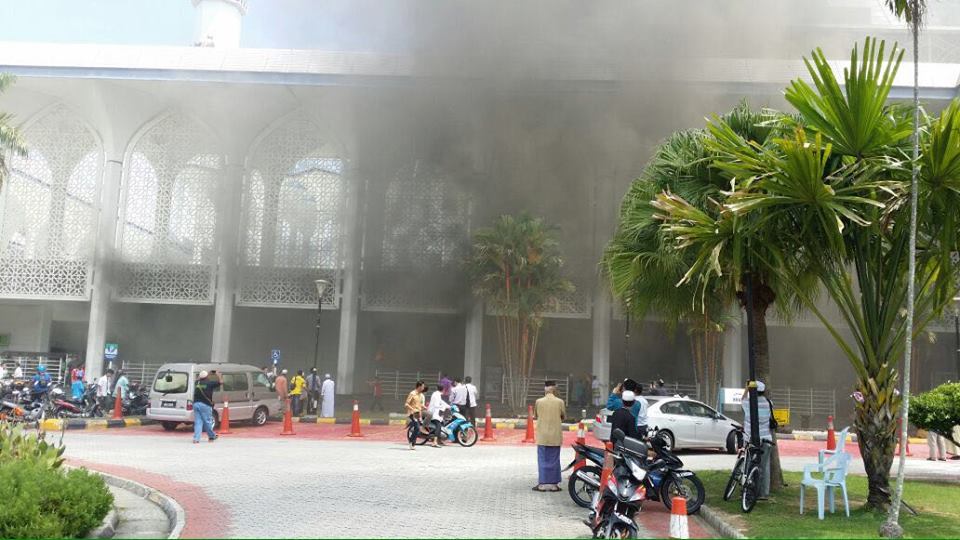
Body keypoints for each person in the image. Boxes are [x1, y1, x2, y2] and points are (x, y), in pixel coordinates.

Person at [741, 380, 774, 498]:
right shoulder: (769, 403)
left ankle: (748, 490)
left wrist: (746, 388)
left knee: (749, 463)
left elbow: (742, 399)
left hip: (751, 438)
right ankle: (764, 493)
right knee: (764, 467)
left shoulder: (748, 404)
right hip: (766, 438)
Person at [534, 380, 566, 492]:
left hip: (542, 436)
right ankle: (553, 485)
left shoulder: (539, 401)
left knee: (542, 459)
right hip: (555, 436)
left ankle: (542, 484)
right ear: (554, 389)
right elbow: (563, 416)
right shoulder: (560, 402)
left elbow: (535, 415)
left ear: (545, 389)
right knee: (554, 459)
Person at [192, 370, 222, 443]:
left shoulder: (197, 383)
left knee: (198, 422)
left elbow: (197, 379)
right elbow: (221, 382)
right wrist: (218, 374)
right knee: (207, 421)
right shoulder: (210, 383)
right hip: (205, 404)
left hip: (196, 404)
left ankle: (196, 439)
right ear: (207, 376)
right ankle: (211, 437)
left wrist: (205, 374)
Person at [405, 381, 427, 450]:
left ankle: (412, 443)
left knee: (418, 429)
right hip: (412, 413)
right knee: (417, 427)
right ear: (419, 386)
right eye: (423, 386)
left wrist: (423, 407)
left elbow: (419, 405)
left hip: (418, 413)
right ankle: (411, 442)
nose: (423, 388)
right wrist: (413, 409)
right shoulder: (412, 393)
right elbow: (406, 404)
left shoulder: (420, 395)